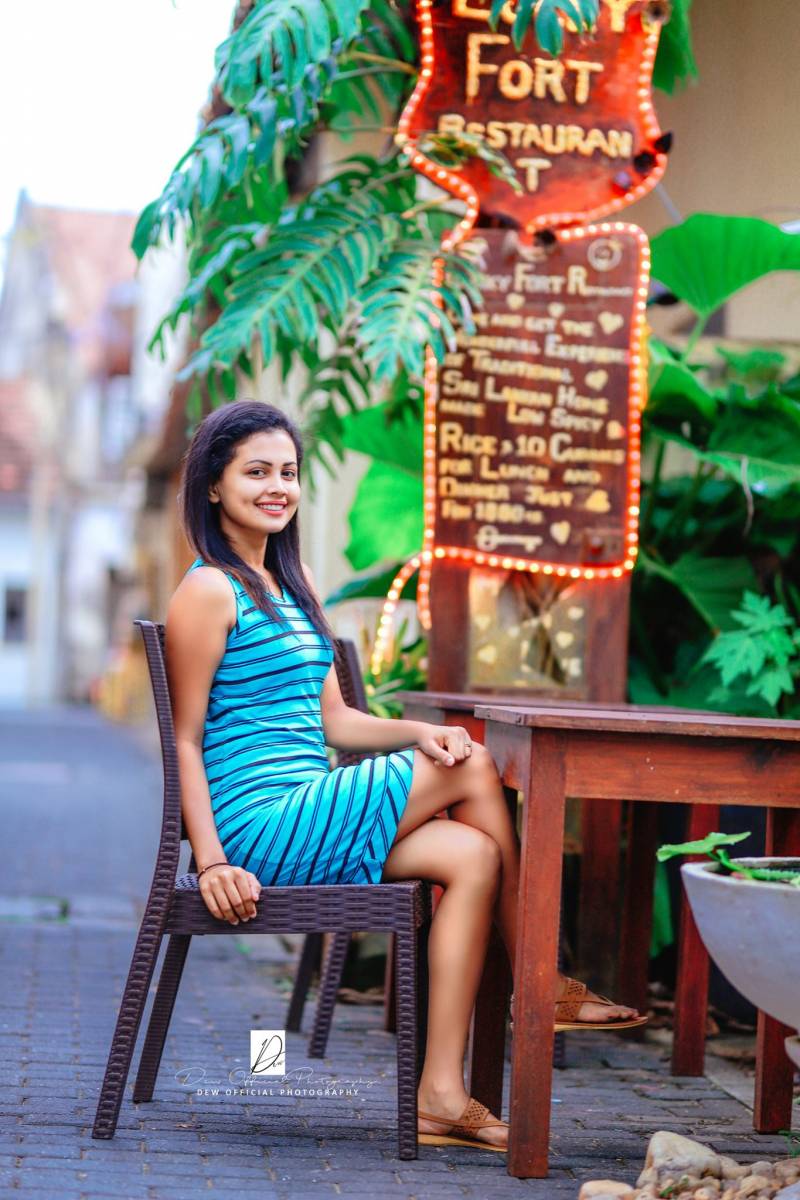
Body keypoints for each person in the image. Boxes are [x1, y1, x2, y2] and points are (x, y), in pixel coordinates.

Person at [166, 400, 645, 1155]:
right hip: (259, 823)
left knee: (472, 854)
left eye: (287, 473)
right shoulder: (208, 590)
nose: (277, 487)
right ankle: (539, 980)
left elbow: (338, 725)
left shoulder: (294, 583)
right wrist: (215, 858)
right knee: (478, 764)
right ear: (214, 488)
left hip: (310, 810)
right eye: (256, 472)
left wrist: (419, 730)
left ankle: (439, 1093)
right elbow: (187, 741)